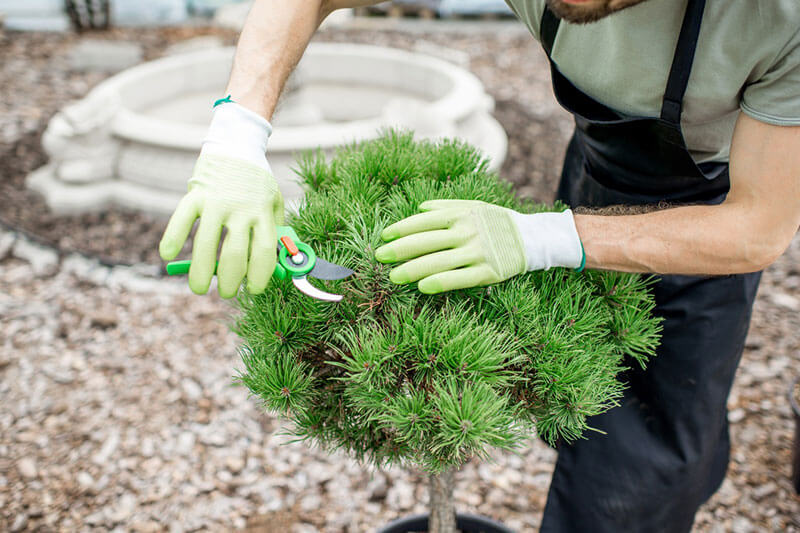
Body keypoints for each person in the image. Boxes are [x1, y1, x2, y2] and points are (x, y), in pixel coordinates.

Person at [159, 0, 800, 530]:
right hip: (596, 179)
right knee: (574, 416)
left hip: (705, 229)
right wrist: (238, 132)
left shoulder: (777, 20)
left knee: (645, 471)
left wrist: (545, 238)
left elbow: (757, 227)